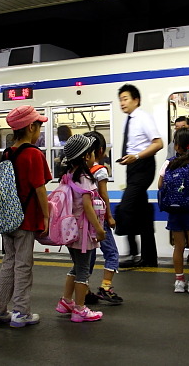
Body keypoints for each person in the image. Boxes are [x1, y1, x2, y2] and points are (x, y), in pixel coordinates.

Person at [0, 106, 51, 328]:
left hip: (7, 218)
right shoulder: (34, 153)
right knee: (23, 265)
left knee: (8, 263)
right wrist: (47, 216)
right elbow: (40, 188)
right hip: (26, 218)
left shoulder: (7, 153)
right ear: (31, 127)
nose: (39, 131)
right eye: (39, 126)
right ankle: (21, 312)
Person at [55, 134, 106, 322]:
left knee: (76, 266)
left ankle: (65, 301)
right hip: (84, 233)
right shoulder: (86, 178)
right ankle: (80, 309)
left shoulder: (67, 176)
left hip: (69, 230)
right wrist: (99, 230)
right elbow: (88, 207)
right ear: (86, 156)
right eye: (91, 153)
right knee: (84, 270)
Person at [116, 84, 163, 268]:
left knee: (125, 207)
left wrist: (136, 156)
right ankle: (149, 258)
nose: (122, 102)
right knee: (142, 213)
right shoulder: (128, 120)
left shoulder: (143, 117)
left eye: (126, 98)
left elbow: (158, 143)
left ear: (136, 100)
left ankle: (133, 252)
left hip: (143, 166)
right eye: (120, 99)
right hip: (132, 167)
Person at [159, 128, 189, 293]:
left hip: (174, 211)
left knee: (178, 247)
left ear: (177, 146)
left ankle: (179, 282)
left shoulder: (168, 164)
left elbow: (160, 185)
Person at [84, 130, 124, 304]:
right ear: (100, 150)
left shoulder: (78, 171)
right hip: (99, 219)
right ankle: (106, 287)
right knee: (112, 253)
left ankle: (83, 289)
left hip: (85, 221)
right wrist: (110, 216)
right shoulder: (100, 170)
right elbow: (103, 195)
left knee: (88, 257)